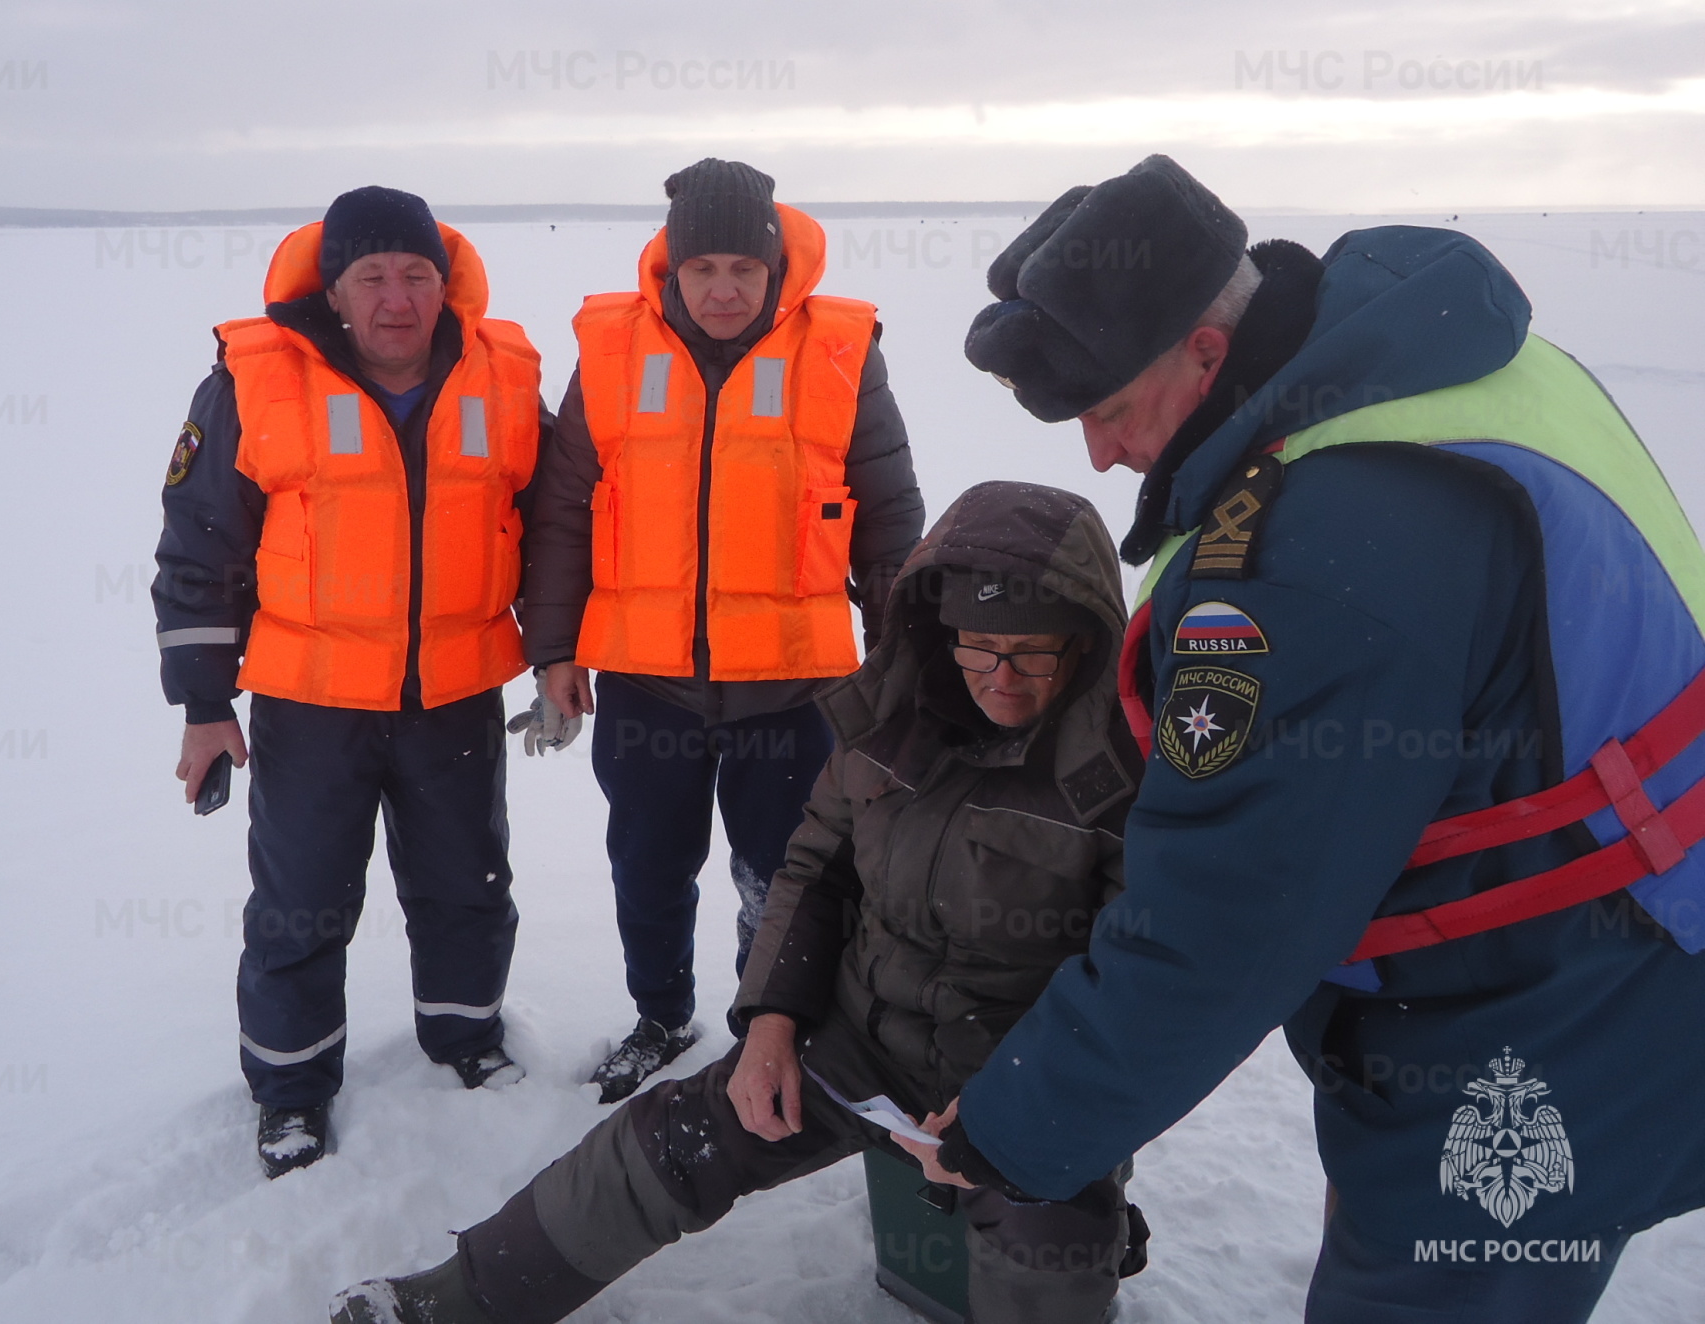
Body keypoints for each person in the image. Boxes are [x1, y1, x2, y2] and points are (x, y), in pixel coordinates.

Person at [947, 154, 1705, 1322]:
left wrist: (1013, 1131)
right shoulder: (1447, 361)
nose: (1097, 457)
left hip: (1552, 1007)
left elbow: (1221, 921)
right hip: (1637, 920)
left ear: (1206, 349)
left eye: (1105, 410)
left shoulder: (1301, 561)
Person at [333, 481, 1149, 1324]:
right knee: (665, 1142)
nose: (1001, 680)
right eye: (979, 647)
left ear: (1085, 642)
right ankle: (461, 1298)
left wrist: (1018, 1114)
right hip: (861, 1048)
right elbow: (814, 870)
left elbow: (1139, 982)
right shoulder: (891, 723)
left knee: (1052, 1253)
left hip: (1022, 1080)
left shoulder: (1128, 778)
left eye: (1032, 652)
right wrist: (770, 1024)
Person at [152, 187, 547, 1178]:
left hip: (454, 695)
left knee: (466, 885)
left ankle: (465, 1038)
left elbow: (561, 526)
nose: (397, 297)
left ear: (442, 284)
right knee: (299, 908)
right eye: (371, 276)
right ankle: (290, 1092)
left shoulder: (501, 380)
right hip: (309, 707)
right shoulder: (253, 382)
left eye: (416, 275)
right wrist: (204, 706)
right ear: (334, 291)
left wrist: (560, 652)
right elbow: (199, 549)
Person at [519, 158, 923, 1099]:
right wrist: (553, 653)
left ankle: (769, 1025)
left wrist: (905, 650)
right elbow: (567, 508)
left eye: (746, 267)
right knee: (648, 869)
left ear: (777, 268)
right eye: (705, 268)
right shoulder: (615, 354)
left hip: (790, 688)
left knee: (784, 877)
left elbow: (890, 511)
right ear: (672, 268)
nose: (725, 288)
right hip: (644, 683)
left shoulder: (839, 351)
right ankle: (660, 1015)